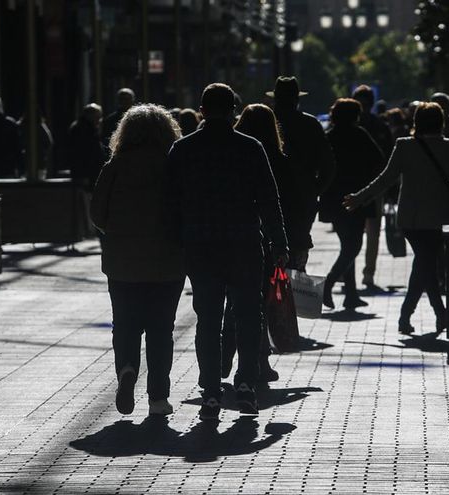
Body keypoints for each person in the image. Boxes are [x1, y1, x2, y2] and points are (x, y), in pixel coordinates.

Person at [167, 83, 288, 420]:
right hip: (244, 243)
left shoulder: (183, 149)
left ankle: (210, 391)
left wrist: (176, 240)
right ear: (233, 111)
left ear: (202, 110)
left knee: (208, 319)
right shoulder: (250, 148)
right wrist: (280, 244)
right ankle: (247, 383)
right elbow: (268, 199)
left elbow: (170, 201)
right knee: (249, 316)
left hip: (201, 245)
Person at [90, 104, 184, 416]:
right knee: (161, 330)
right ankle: (158, 396)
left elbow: (96, 214)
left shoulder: (115, 166)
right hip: (167, 261)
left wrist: (118, 231)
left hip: (122, 261)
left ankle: (127, 369)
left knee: (126, 325)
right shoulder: (173, 165)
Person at [344, 102, 449, 334]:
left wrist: (359, 198)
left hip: (410, 218)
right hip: (440, 217)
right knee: (426, 263)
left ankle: (413, 316)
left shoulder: (404, 146)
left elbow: (385, 179)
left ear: (417, 121)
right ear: (441, 122)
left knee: (424, 263)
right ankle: (435, 315)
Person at [222, 103, 295, 384]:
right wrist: (286, 243)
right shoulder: (278, 160)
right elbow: (285, 205)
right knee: (258, 304)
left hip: (232, 236)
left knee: (233, 302)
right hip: (264, 241)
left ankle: (227, 353)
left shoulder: (232, 152)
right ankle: (257, 362)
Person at [320, 98, 383, 310]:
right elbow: (379, 161)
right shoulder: (360, 135)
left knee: (347, 243)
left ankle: (351, 293)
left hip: (334, 199)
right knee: (353, 245)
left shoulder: (328, 137)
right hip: (357, 198)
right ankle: (329, 282)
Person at [270, 77, 336, 272]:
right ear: (297, 99)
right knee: (298, 251)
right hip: (302, 198)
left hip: (268, 195)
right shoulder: (310, 124)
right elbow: (328, 165)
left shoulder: (266, 121)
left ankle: (271, 295)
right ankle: (295, 295)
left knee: (268, 249)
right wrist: (314, 190)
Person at [352, 85, 393, 289]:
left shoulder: (371, 126)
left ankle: (362, 271)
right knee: (369, 232)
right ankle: (363, 272)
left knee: (362, 231)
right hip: (372, 186)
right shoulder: (379, 126)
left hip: (368, 186)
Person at [67, 103, 106, 189]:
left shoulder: (87, 127)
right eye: (97, 117)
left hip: (89, 172)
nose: (99, 120)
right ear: (90, 115)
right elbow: (81, 153)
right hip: (86, 173)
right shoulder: (82, 129)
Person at [17, 109, 54, 179]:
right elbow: (49, 143)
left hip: (30, 162)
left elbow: (48, 143)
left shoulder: (21, 126)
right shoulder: (40, 127)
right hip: (33, 162)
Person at [101, 88, 136, 158]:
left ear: (133, 100)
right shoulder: (110, 120)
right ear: (119, 101)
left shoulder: (139, 118)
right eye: (122, 99)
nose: (125, 102)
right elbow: (106, 139)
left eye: (127, 99)